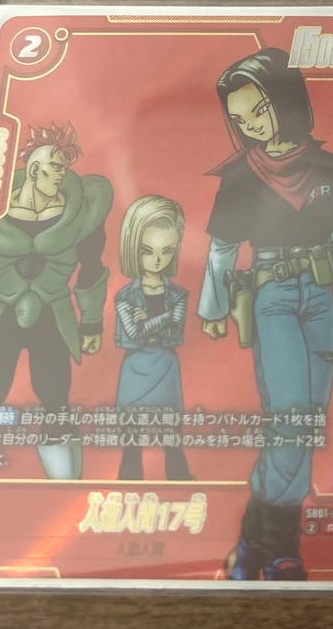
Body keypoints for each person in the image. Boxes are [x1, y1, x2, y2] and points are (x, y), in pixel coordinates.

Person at [198, 48, 333, 580]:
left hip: (320, 295)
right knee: (291, 418)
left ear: (286, 100)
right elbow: (223, 249)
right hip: (270, 293)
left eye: (259, 110)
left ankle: (258, 543)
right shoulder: (240, 175)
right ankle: (276, 547)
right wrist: (213, 307)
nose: (251, 126)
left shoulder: (327, 166)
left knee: (306, 422)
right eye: (241, 118)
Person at [0, 122, 112, 490]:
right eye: (55, 166)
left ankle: (64, 488)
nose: (61, 174)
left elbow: (92, 266)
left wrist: (91, 322)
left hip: (52, 312)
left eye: (64, 167)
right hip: (2, 311)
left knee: (55, 394)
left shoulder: (82, 211)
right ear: (35, 167)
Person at [114, 195, 193, 481]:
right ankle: (128, 484)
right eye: (147, 251)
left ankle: (180, 481)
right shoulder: (125, 295)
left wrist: (148, 320)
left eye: (167, 251)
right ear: (132, 247)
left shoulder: (178, 294)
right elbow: (134, 333)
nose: (157, 260)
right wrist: (164, 318)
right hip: (135, 367)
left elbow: (176, 330)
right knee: (131, 438)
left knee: (172, 435)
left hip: (165, 365)